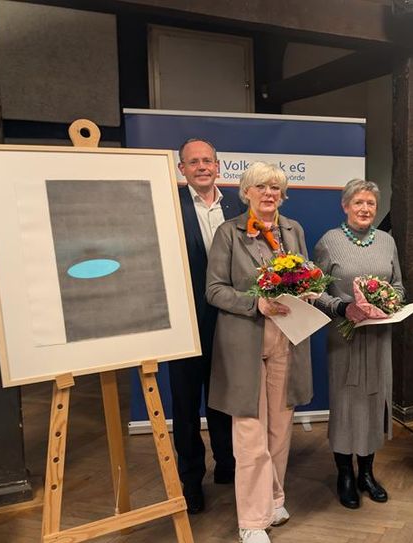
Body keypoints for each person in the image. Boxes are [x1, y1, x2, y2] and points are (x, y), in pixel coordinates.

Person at [206, 162, 313, 543]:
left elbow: (304, 274)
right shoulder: (227, 233)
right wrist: (257, 304)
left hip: (287, 340)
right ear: (246, 191)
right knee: (250, 437)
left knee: (280, 430)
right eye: (262, 187)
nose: (270, 194)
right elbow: (215, 290)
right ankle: (251, 521)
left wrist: (309, 289)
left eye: (276, 188)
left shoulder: (293, 230)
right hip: (244, 346)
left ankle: (274, 498)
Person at [313, 179, 404, 509]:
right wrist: (343, 308)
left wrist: (389, 303)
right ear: (345, 206)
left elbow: (399, 286)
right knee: (346, 402)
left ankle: (367, 473)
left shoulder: (387, 242)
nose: (365, 209)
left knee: (372, 401)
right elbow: (314, 292)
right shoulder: (329, 242)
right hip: (345, 337)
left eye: (371, 204)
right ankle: (345, 475)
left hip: (378, 336)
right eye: (359, 203)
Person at [172, 138, 244, 514]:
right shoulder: (168, 205)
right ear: (181, 169)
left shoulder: (238, 204)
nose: (201, 167)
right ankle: (190, 481)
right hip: (184, 324)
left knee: (224, 400)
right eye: (193, 161)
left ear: (218, 166)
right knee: (185, 407)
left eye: (207, 161)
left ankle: (227, 468)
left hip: (230, 321)